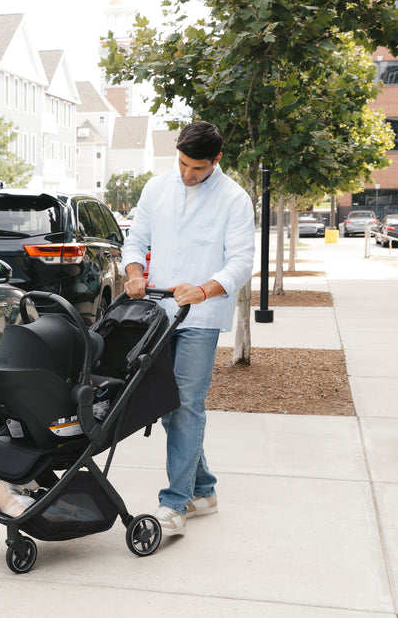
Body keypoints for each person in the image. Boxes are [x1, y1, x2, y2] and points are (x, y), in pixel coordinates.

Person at [121, 121, 255, 536]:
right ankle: (205, 489)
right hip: (158, 313)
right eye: (182, 163)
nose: (187, 173)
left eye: (196, 168)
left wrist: (205, 289)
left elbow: (241, 262)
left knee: (187, 404)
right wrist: (134, 271)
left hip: (201, 317)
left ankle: (175, 504)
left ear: (216, 160)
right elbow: (135, 238)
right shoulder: (156, 188)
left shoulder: (235, 199)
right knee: (167, 404)